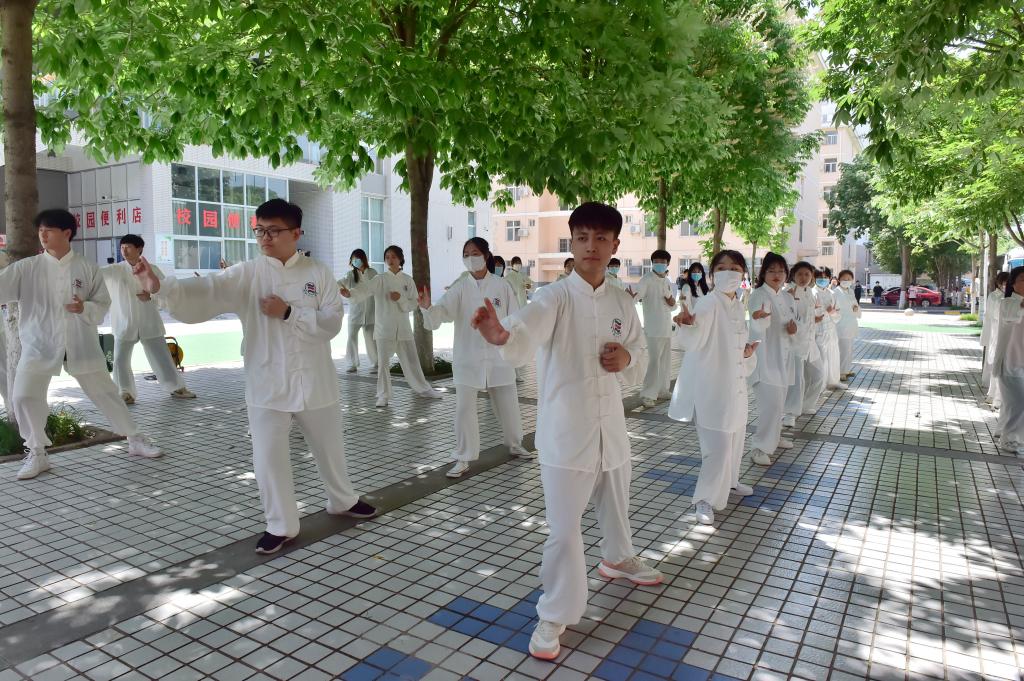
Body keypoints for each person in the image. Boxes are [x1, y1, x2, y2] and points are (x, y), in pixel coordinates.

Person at [471, 202, 662, 661]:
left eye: (601, 238)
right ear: (572, 244)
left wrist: (627, 359)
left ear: (615, 246)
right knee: (563, 530)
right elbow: (524, 332)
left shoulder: (622, 301)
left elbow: (639, 354)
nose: (591, 246)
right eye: (582, 238)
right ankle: (555, 611)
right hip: (565, 432)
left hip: (610, 428)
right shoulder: (554, 297)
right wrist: (502, 336)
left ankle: (618, 557)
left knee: (616, 501)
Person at [133, 199, 377, 553]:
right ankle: (281, 524)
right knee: (268, 457)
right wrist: (161, 288)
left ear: (296, 233)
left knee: (330, 447)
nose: (264, 238)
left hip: (316, 380)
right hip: (266, 382)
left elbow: (331, 323)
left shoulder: (318, 273)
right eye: (259, 230)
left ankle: (343, 499)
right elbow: (208, 290)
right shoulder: (248, 274)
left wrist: (289, 313)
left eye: (273, 231)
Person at [1, 209, 162, 480]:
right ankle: (37, 452)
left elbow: (102, 303)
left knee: (105, 392)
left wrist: (84, 308)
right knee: (23, 396)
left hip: (80, 342)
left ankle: (135, 438)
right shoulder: (27, 268)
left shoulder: (87, 268)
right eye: (40, 230)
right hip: (39, 344)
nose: (42, 235)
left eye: (48, 230)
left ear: (67, 233)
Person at [419, 238, 531, 478]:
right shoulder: (460, 287)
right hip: (467, 358)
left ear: (486, 255)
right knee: (464, 410)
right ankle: (463, 456)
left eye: (475, 253)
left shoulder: (502, 286)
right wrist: (428, 308)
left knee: (509, 405)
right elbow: (441, 314)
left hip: (499, 357)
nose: (470, 258)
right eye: (466, 254)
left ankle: (515, 444)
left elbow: (516, 318)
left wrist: (513, 343)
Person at [669, 250, 759, 525]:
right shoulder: (709, 304)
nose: (729, 272)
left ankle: (730, 482)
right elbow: (694, 339)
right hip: (713, 388)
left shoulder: (737, 305)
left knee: (735, 440)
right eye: (722, 268)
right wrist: (688, 325)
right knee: (716, 449)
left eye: (735, 268)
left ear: (743, 274)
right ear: (712, 275)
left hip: (735, 386)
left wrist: (746, 354)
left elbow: (736, 344)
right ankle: (704, 499)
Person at [340, 245, 443, 407]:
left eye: (393, 257)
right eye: (387, 257)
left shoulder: (408, 280)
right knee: (383, 365)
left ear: (400, 259)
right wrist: (350, 293)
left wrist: (400, 298)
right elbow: (365, 290)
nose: (390, 260)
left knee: (412, 361)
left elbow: (413, 303)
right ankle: (383, 395)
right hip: (384, 329)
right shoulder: (380, 279)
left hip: (403, 329)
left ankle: (424, 389)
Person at [102, 235, 196, 404]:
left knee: (162, 357)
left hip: (149, 321)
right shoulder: (114, 270)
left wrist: (151, 296)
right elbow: (93, 274)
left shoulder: (152, 269)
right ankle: (125, 392)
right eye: (122, 247)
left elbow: (165, 293)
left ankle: (177, 387)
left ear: (139, 249)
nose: (124, 250)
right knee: (120, 360)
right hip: (124, 322)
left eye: (128, 247)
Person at [747, 253, 799, 466]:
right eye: (771, 271)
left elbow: (793, 322)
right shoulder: (758, 295)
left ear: (786, 274)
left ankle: (774, 438)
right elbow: (756, 321)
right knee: (770, 405)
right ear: (763, 274)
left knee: (779, 403)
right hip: (765, 358)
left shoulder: (787, 297)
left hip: (784, 358)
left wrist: (793, 329)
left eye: (781, 271)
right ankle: (759, 447)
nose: (776, 274)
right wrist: (758, 318)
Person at [635, 249, 676, 407]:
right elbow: (637, 296)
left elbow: (672, 305)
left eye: (663, 262)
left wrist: (671, 301)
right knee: (654, 362)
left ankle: (662, 390)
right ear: (652, 263)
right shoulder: (646, 280)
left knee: (665, 361)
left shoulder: (666, 281)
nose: (660, 264)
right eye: (656, 261)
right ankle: (648, 394)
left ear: (667, 264)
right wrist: (630, 297)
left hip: (666, 327)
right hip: (653, 328)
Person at [783, 262, 820, 428]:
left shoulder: (810, 292)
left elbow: (809, 315)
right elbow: (788, 317)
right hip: (795, 343)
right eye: (800, 274)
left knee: (819, 375)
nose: (803, 278)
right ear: (793, 275)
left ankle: (805, 405)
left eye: (807, 274)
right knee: (797, 380)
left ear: (811, 276)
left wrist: (814, 320)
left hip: (810, 342)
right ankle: (790, 414)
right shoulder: (788, 292)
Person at [993, 266, 1024, 455]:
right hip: (1010, 362)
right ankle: (1009, 439)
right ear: (1013, 284)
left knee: (1011, 403)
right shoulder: (1007, 303)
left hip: (1021, 361)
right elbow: (1013, 316)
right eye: (1023, 279)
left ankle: (1002, 431)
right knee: (1019, 402)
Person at [338, 249, 379, 374]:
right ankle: (352, 364)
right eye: (353, 259)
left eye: (358, 258)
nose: (355, 261)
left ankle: (376, 363)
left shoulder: (372, 273)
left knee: (371, 339)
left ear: (363, 259)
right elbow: (339, 283)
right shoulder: (350, 275)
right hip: (355, 313)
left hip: (371, 313)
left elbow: (377, 288)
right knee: (351, 337)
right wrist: (343, 291)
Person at [982, 272, 1010, 407]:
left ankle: (999, 396)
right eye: (1003, 282)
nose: (1005, 285)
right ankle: (993, 394)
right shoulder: (994, 296)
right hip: (996, 333)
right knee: (996, 364)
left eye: (1007, 282)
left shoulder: (1011, 296)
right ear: (998, 283)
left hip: (1007, 335)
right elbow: (989, 316)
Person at [814, 268, 844, 390]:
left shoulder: (832, 294)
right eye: (820, 277)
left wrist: (832, 313)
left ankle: (833, 381)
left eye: (825, 277)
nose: (823, 280)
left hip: (831, 330)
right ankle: (820, 386)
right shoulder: (812, 293)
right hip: (818, 331)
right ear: (814, 278)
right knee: (821, 359)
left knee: (833, 356)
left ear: (829, 278)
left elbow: (838, 314)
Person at [834, 269, 862, 380]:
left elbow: (854, 304)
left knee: (849, 349)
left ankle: (846, 369)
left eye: (849, 279)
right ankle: (840, 372)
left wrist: (856, 308)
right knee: (843, 349)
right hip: (841, 325)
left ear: (852, 280)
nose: (846, 280)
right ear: (839, 279)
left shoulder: (850, 291)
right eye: (844, 279)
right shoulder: (836, 292)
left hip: (850, 324)